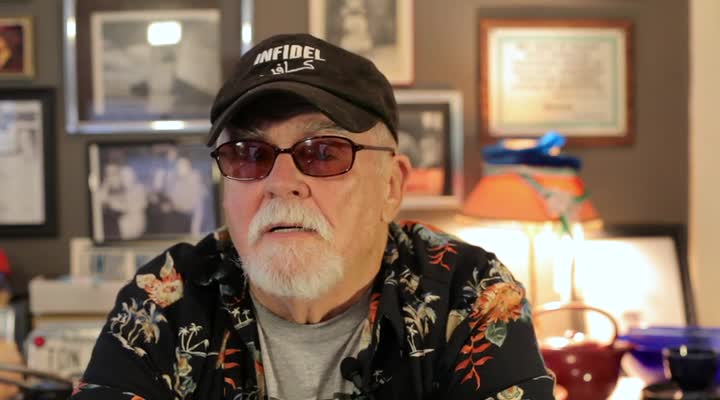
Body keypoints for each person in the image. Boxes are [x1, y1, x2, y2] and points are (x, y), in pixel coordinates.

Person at [71, 33, 555, 399]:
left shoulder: (470, 293)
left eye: (323, 152)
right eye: (249, 154)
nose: (280, 182)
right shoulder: (165, 298)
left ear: (391, 186)